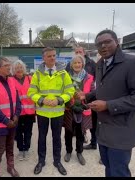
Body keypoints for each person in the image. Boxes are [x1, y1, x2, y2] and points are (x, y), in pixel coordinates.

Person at [78, 29, 135, 177]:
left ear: (117, 42)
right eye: (99, 44)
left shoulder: (133, 63)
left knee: (119, 172)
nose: (103, 46)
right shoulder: (100, 64)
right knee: (108, 167)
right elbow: (102, 89)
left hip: (122, 131)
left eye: (107, 42)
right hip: (104, 131)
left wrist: (108, 105)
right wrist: (87, 96)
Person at [28, 47, 75, 176]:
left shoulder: (63, 73)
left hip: (58, 112)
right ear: (43, 58)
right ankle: (41, 161)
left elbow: (70, 91)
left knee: (57, 138)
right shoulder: (37, 74)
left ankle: (57, 161)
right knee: (41, 138)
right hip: (42, 112)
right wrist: (42, 100)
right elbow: (31, 93)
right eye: (49, 56)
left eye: (54, 55)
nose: (52, 58)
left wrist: (59, 100)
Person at [63, 55, 94, 166]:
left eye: (79, 63)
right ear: (71, 65)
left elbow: (93, 93)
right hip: (69, 110)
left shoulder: (89, 77)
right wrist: (71, 105)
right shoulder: (66, 77)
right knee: (68, 132)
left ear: (82, 64)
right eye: (74, 63)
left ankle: (79, 152)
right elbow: (63, 93)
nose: (77, 65)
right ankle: (68, 151)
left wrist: (86, 105)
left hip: (82, 110)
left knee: (81, 132)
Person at [10, 60, 36, 161]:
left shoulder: (30, 78)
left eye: (20, 67)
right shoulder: (10, 80)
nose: (19, 69)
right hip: (17, 112)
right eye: (16, 68)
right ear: (13, 70)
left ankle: (27, 148)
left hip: (29, 112)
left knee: (28, 132)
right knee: (18, 132)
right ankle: (21, 150)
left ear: (24, 68)